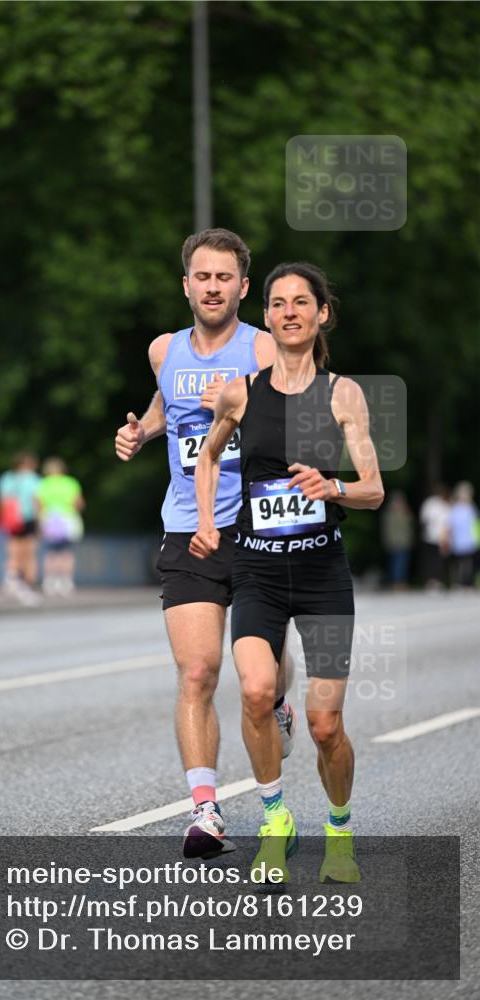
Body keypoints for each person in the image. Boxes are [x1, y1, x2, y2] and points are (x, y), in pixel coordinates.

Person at [191, 261, 384, 883]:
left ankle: (339, 830)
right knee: (253, 690)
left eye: (303, 302)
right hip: (258, 571)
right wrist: (207, 522)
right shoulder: (241, 390)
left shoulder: (342, 394)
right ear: (268, 317)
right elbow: (209, 456)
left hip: (324, 573)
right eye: (278, 304)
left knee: (326, 726)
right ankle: (275, 820)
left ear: (322, 314)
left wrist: (332, 487)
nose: (290, 312)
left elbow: (374, 490)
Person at [115, 228, 295, 860]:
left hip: (257, 531)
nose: (212, 287)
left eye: (225, 278)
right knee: (196, 671)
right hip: (187, 527)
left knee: (262, 681)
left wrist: (243, 412)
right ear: (186, 283)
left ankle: (277, 698)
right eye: (202, 276)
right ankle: (206, 811)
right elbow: (167, 407)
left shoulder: (266, 347)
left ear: (243, 288)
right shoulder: (164, 350)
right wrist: (141, 431)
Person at [0, 452, 41, 605]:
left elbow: (2, 500)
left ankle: (10, 580)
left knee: (12, 551)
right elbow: (37, 502)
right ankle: (27, 585)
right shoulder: (34, 479)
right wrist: (40, 522)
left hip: (11, 519)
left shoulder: (7, 478)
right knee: (29, 553)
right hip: (28, 518)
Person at [37, 457, 85, 596]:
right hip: (67, 519)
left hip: (49, 519)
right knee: (66, 552)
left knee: (51, 552)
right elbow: (79, 503)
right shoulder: (70, 482)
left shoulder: (43, 483)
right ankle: (66, 581)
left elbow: (38, 504)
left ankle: (50, 581)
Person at [380, 490, 414, 589]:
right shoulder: (389, 514)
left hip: (404, 541)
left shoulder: (405, 512)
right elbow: (386, 529)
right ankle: (396, 582)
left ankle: (400, 581)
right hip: (394, 542)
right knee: (396, 563)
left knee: (402, 563)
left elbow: (410, 524)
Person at [447, 481, 478, 588]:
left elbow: (475, 524)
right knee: (458, 563)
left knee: (468, 563)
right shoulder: (455, 509)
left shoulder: (471, 508)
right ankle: (458, 582)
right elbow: (450, 525)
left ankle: (467, 583)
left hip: (469, 541)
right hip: (458, 541)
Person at [419, 484, 450, 589]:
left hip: (428, 536)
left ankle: (430, 580)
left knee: (430, 559)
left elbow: (423, 519)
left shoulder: (428, 503)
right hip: (439, 537)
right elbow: (446, 524)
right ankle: (436, 580)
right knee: (438, 560)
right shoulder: (444, 506)